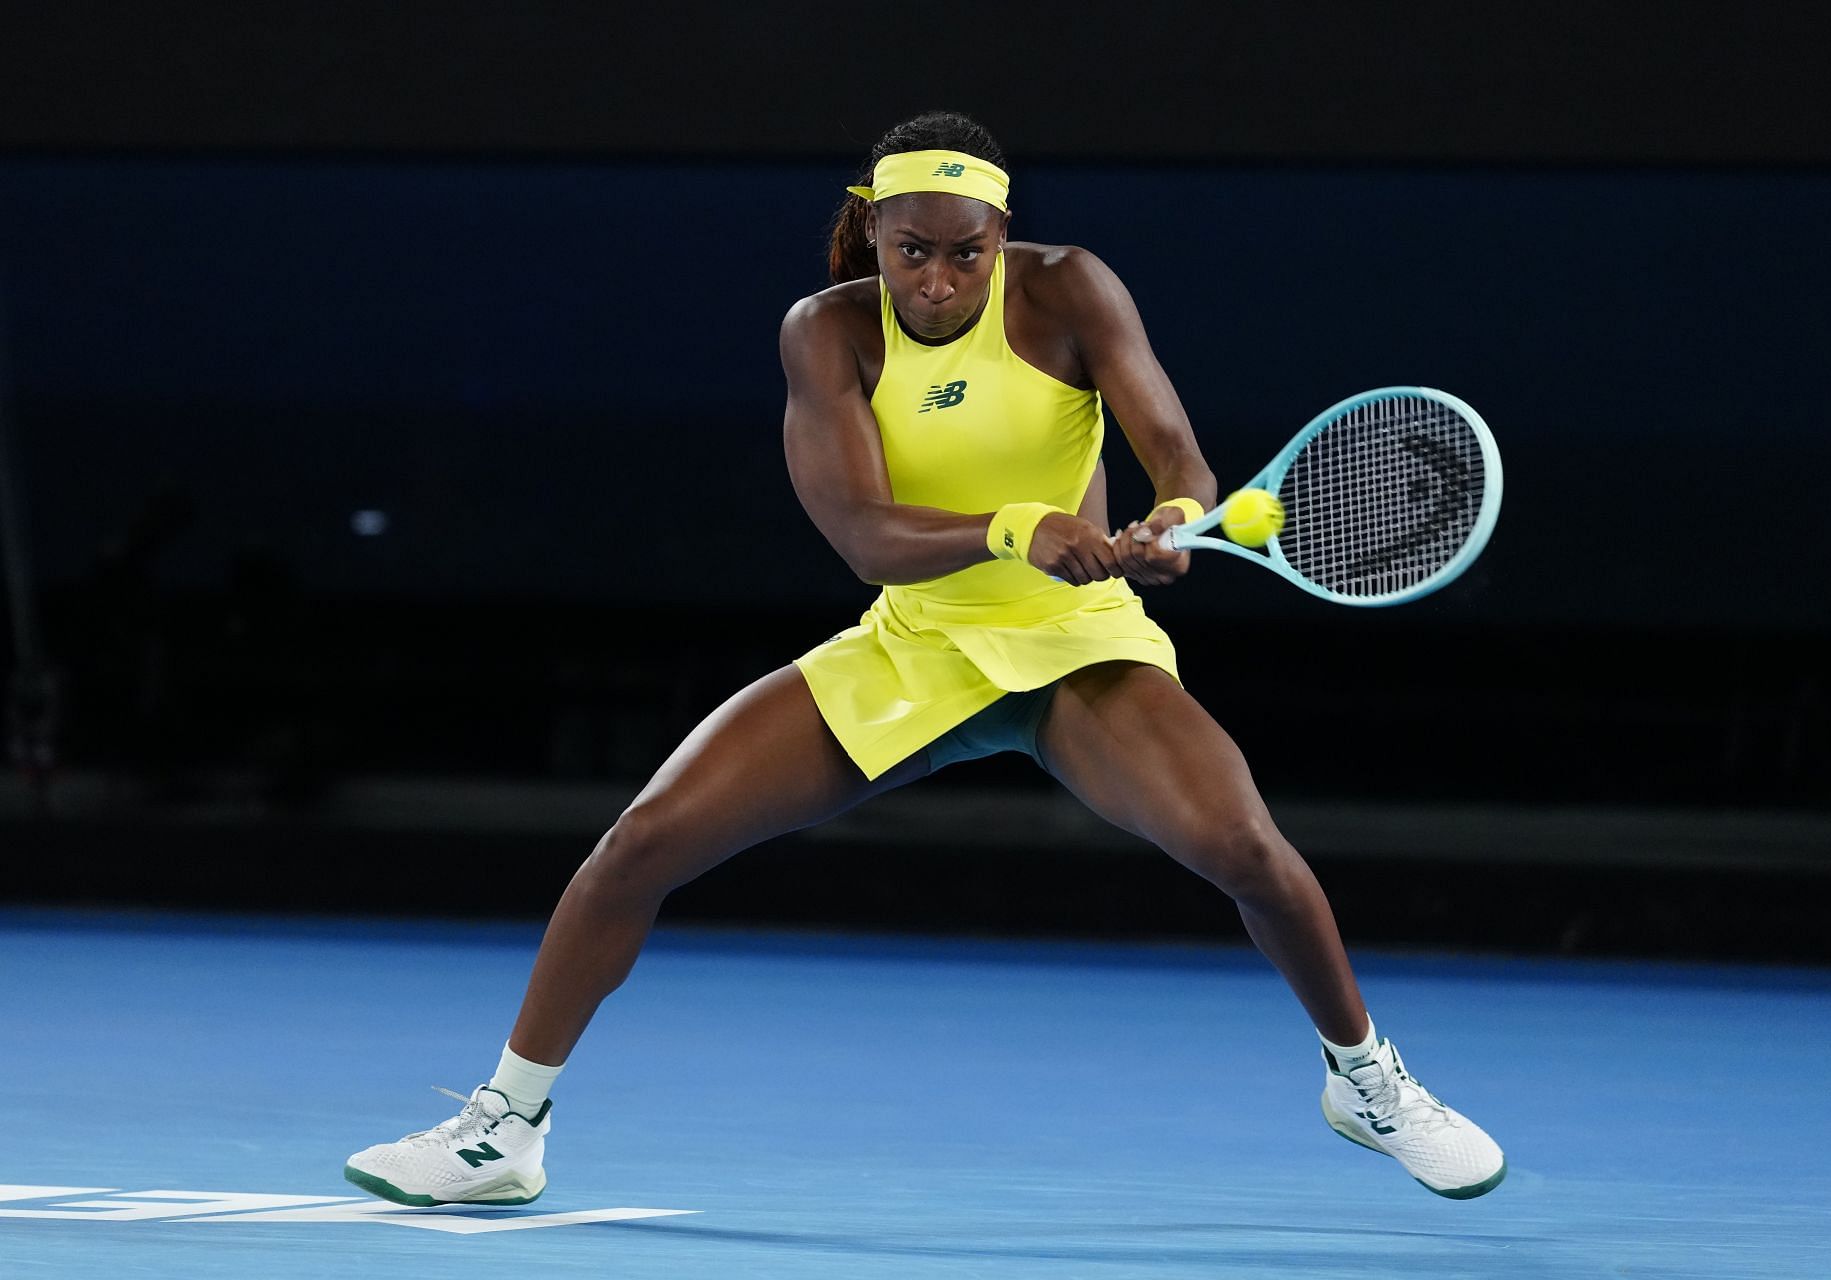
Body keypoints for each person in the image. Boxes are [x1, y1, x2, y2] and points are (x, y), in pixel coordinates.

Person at [344, 111, 1505, 1206]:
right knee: (643, 839)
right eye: (913, 253)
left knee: (1242, 842)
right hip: (918, 644)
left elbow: (1179, 456)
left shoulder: (1070, 289)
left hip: (1074, 647)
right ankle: (506, 1126)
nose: (939, 281)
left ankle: (1365, 1080)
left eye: (966, 253)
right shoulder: (828, 329)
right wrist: (1021, 527)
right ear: (875, 230)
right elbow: (862, 533)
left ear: (1003, 237)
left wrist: (1172, 520)